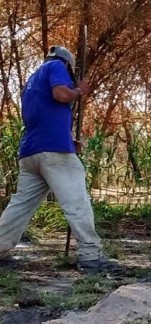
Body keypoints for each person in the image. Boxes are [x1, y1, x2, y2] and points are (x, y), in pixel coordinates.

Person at [0, 45, 115, 272]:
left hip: (31, 152)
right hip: (53, 151)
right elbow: (61, 94)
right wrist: (79, 91)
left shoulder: (32, 80)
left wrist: (67, 140)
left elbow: (44, 115)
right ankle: (91, 255)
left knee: (21, 205)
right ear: (68, 65)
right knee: (77, 201)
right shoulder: (56, 66)